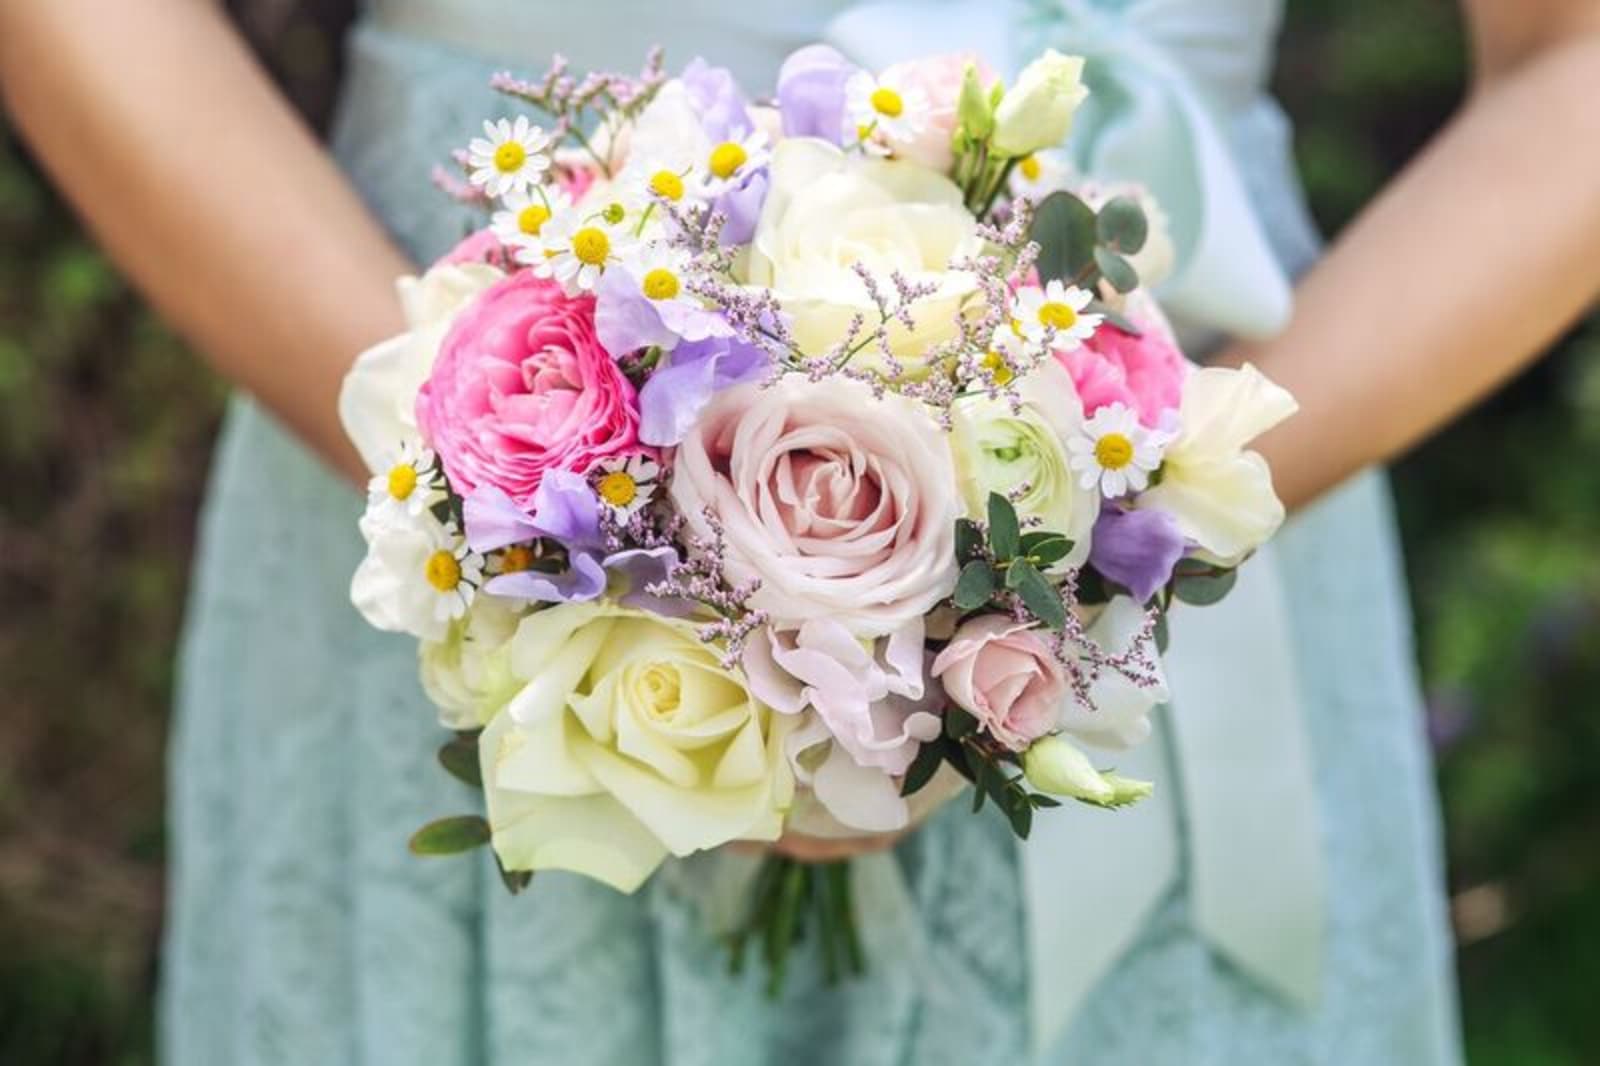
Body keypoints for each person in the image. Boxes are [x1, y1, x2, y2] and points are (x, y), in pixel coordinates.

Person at [4, 0, 1599, 1063]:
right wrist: (488, 475)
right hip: (454, 449)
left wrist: (1129, 504)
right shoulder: (469, 468)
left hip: (1168, 508)